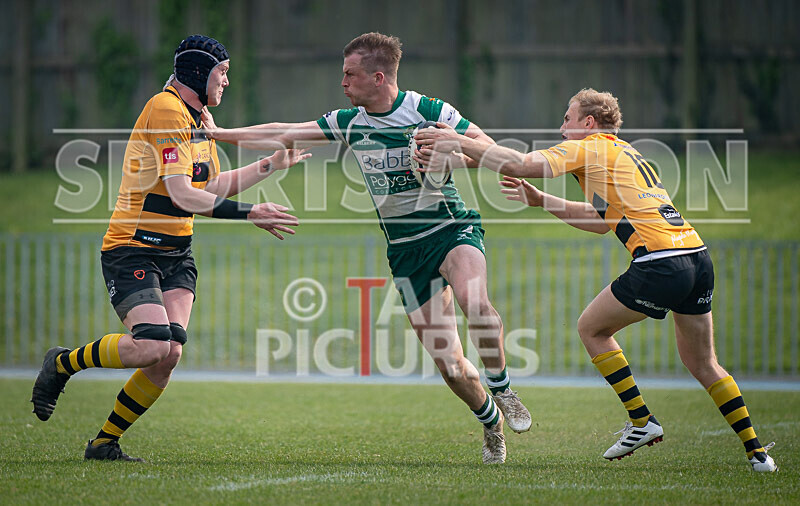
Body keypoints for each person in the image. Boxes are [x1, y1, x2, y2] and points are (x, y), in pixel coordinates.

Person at [204, 32, 531, 464]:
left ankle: (503, 389)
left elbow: (488, 151)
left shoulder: (428, 111)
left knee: (476, 302)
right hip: (405, 252)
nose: (343, 83)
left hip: (450, 229)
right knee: (450, 366)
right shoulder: (349, 121)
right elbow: (285, 132)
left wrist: (450, 156)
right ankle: (491, 421)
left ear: (378, 77)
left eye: (350, 75)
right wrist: (220, 132)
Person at [413, 87, 777, 472]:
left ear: (588, 123)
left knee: (591, 328)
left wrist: (456, 141)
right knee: (704, 363)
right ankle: (758, 455)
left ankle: (641, 421)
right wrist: (542, 201)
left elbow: (519, 163)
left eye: (567, 119)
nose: (561, 127)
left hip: (660, 262)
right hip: (696, 257)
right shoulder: (623, 153)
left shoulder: (588, 147)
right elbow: (600, 222)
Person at [30, 34, 309, 461]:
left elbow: (208, 187)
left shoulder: (199, 122)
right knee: (152, 345)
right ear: (199, 73)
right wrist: (249, 213)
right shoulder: (166, 110)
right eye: (222, 72)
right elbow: (181, 194)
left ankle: (104, 443)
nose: (226, 82)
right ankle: (63, 363)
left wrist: (270, 164)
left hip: (177, 252)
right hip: (133, 248)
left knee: (169, 352)